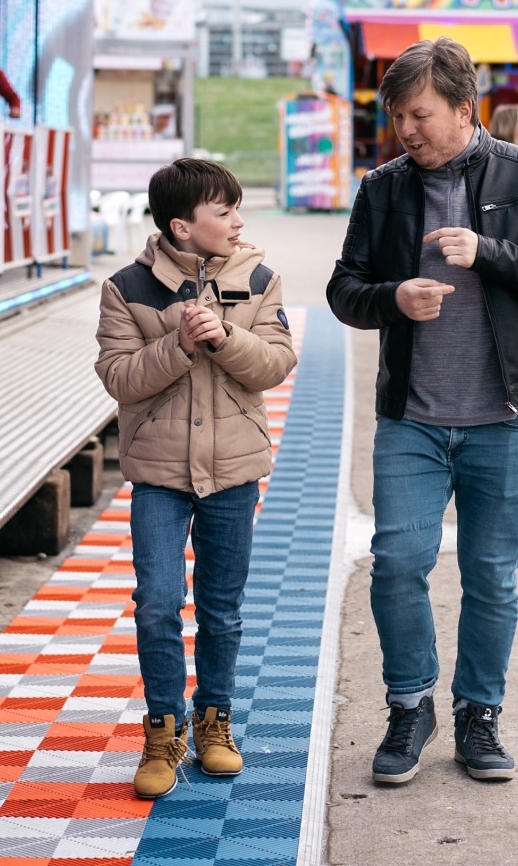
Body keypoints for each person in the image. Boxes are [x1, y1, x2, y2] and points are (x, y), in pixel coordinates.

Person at [327, 38, 518, 785]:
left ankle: (480, 714)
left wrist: (488, 251)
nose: (405, 130)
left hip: (504, 417)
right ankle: (410, 704)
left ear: (463, 109)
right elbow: (344, 288)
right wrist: (392, 299)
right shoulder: (382, 188)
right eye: (397, 117)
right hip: (411, 418)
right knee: (397, 565)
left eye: (419, 114)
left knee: (491, 575)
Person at [94, 158, 297, 798]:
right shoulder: (126, 287)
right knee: (157, 602)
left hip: (234, 468)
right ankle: (162, 730)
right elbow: (119, 378)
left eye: (238, 209)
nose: (239, 221)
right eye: (224, 211)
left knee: (222, 608)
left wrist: (224, 336)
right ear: (182, 227)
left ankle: (215, 722)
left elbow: (275, 364)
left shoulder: (260, 278)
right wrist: (179, 345)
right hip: (158, 470)